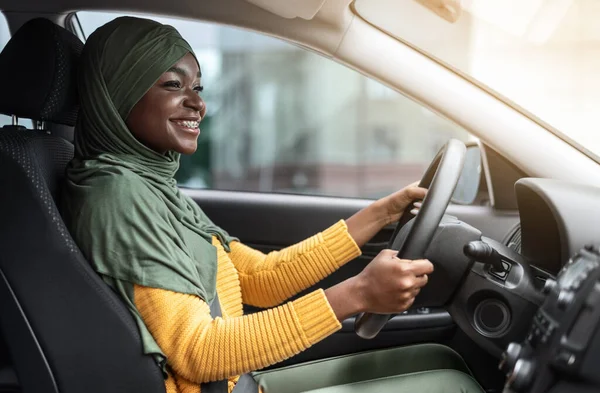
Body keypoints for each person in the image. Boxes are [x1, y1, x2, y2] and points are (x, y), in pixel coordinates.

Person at [62, 16, 483, 393]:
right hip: (211, 382)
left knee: (445, 365)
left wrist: (379, 214)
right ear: (119, 92)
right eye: (173, 85)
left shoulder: (153, 186)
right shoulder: (117, 196)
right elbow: (197, 351)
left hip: (234, 382)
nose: (198, 104)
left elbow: (258, 278)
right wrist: (358, 293)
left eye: (198, 87)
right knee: (454, 384)